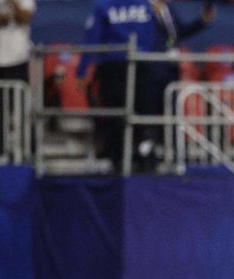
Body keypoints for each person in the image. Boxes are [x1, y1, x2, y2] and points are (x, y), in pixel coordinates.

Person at [135, 0, 215, 169]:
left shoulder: (168, 9)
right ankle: (145, 157)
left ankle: (169, 154)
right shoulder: (141, 8)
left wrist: (202, 21)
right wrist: (151, 14)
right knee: (149, 114)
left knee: (169, 112)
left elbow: (178, 34)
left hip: (169, 70)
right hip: (149, 69)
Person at [79, 0, 156, 167]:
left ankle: (124, 158)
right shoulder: (144, 5)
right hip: (136, 63)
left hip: (116, 64)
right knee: (136, 112)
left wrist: (82, 70)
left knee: (120, 114)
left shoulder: (105, 5)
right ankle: (141, 157)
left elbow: (93, 38)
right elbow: (151, 36)